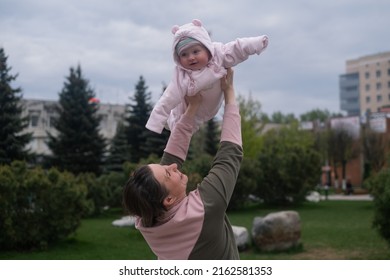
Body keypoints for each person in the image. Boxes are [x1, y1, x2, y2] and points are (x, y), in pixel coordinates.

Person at [123, 68, 242, 259]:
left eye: (163, 166)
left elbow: (171, 158)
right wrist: (229, 93)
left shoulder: (147, 218)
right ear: (168, 200)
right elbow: (230, 154)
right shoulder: (205, 208)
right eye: (168, 173)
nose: (171, 166)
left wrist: (192, 108)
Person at [145, 19, 268, 134]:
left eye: (195, 51)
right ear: (178, 58)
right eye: (184, 54)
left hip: (211, 107)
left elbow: (237, 48)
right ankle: (169, 122)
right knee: (180, 126)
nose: (191, 57)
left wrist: (256, 43)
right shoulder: (182, 76)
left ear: (207, 48)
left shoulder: (219, 55)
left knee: (189, 125)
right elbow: (168, 98)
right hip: (190, 109)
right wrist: (155, 123)